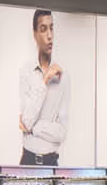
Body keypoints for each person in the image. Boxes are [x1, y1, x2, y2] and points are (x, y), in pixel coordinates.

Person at [15, 9, 68, 167]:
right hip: (28, 160)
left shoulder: (63, 76)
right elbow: (26, 119)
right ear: (35, 34)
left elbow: (61, 133)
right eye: (43, 29)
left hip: (51, 163)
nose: (49, 36)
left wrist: (33, 128)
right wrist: (44, 80)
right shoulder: (26, 72)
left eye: (52, 28)